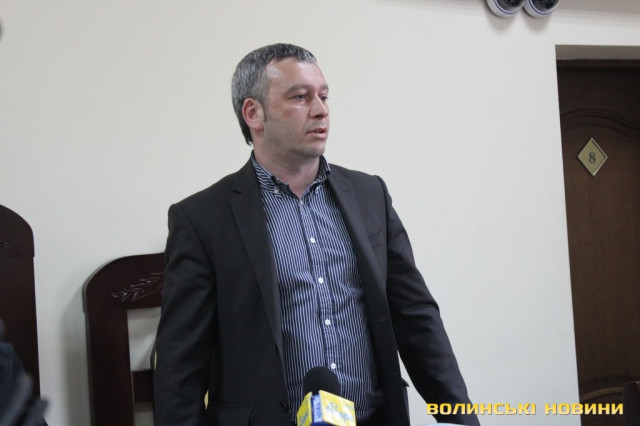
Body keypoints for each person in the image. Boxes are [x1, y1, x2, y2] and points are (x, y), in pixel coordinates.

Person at [153, 43, 479, 426]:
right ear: (254, 113)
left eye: (324, 96)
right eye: (301, 97)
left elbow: (416, 318)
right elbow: (180, 363)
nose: (321, 110)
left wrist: (461, 417)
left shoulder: (370, 195)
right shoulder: (202, 218)